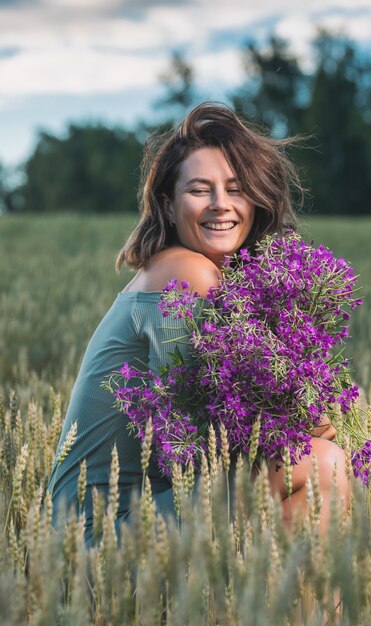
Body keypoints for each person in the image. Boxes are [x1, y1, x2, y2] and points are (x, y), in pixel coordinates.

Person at [48, 102, 349, 543]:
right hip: (94, 540)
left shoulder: (217, 280)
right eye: (199, 189)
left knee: (315, 470)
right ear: (169, 207)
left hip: (142, 515)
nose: (220, 205)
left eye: (235, 188)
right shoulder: (183, 271)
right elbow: (194, 449)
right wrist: (305, 406)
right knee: (324, 463)